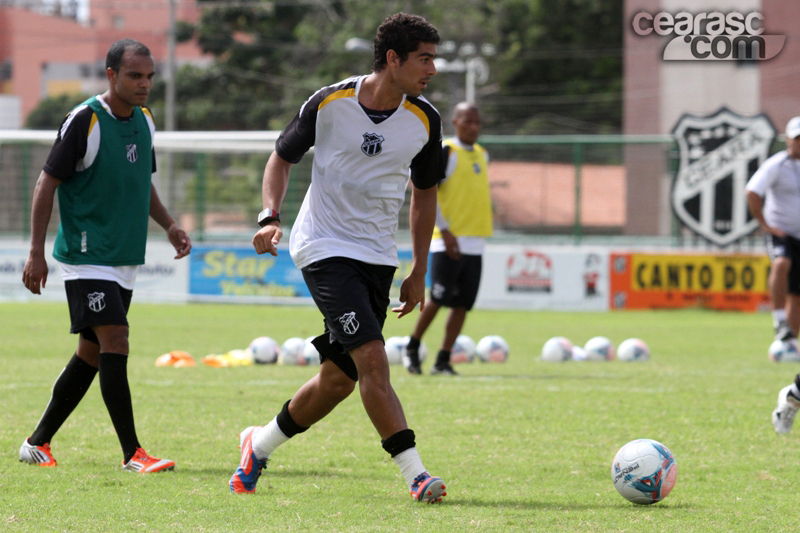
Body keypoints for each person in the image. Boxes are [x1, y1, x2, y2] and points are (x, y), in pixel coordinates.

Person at [229, 13, 447, 503]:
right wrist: (269, 216)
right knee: (372, 359)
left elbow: (425, 194)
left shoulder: (425, 120)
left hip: (376, 255)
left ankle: (257, 446)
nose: (432, 68)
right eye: (424, 58)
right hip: (323, 246)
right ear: (393, 59)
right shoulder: (329, 102)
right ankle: (416, 474)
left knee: (338, 380)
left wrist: (419, 268)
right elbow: (281, 158)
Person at [19, 39, 191, 473]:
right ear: (112, 75)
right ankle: (133, 453)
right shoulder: (85, 120)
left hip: (123, 257)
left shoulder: (146, 121)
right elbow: (46, 185)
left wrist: (170, 225)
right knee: (117, 339)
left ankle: (37, 443)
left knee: (92, 354)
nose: (144, 84)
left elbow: (140, 184)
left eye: (150, 76)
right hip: (85, 255)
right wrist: (35, 252)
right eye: (135, 75)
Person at [405, 102, 493, 375]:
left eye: (477, 122)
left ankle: (443, 360)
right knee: (438, 298)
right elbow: (421, 188)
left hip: (475, 242)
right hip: (447, 240)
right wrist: (443, 229)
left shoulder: (482, 154)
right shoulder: (447, 152)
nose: (473, 127)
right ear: (455, 122)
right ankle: (412, 346)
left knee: (462, 304)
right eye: (468, 121)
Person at [746, 116, 800, 434]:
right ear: (787, 139)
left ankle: (789, 344)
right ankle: (780, 323)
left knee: (799, 296)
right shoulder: (776, 165)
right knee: (781, 266)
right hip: (782, 235)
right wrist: (765, 226)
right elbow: (752, 191)